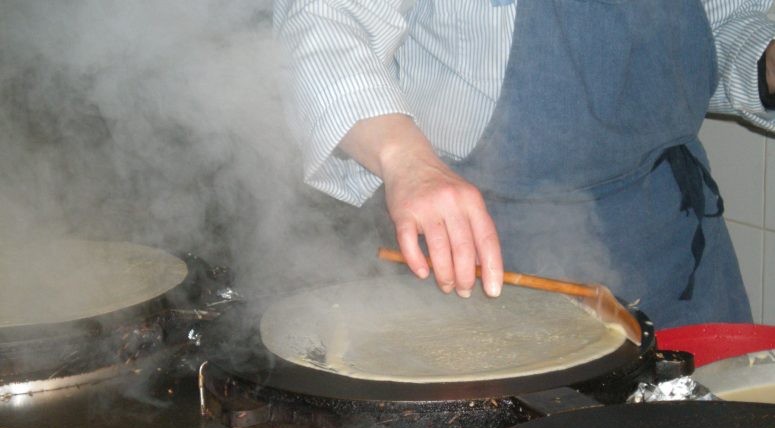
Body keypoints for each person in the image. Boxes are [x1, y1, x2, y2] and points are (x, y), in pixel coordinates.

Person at [273, 0, 775, 329]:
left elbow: (726, 18)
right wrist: (406, 159)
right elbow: (322, 19)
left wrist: (766, 58)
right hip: (474, 247)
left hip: (672, 243)